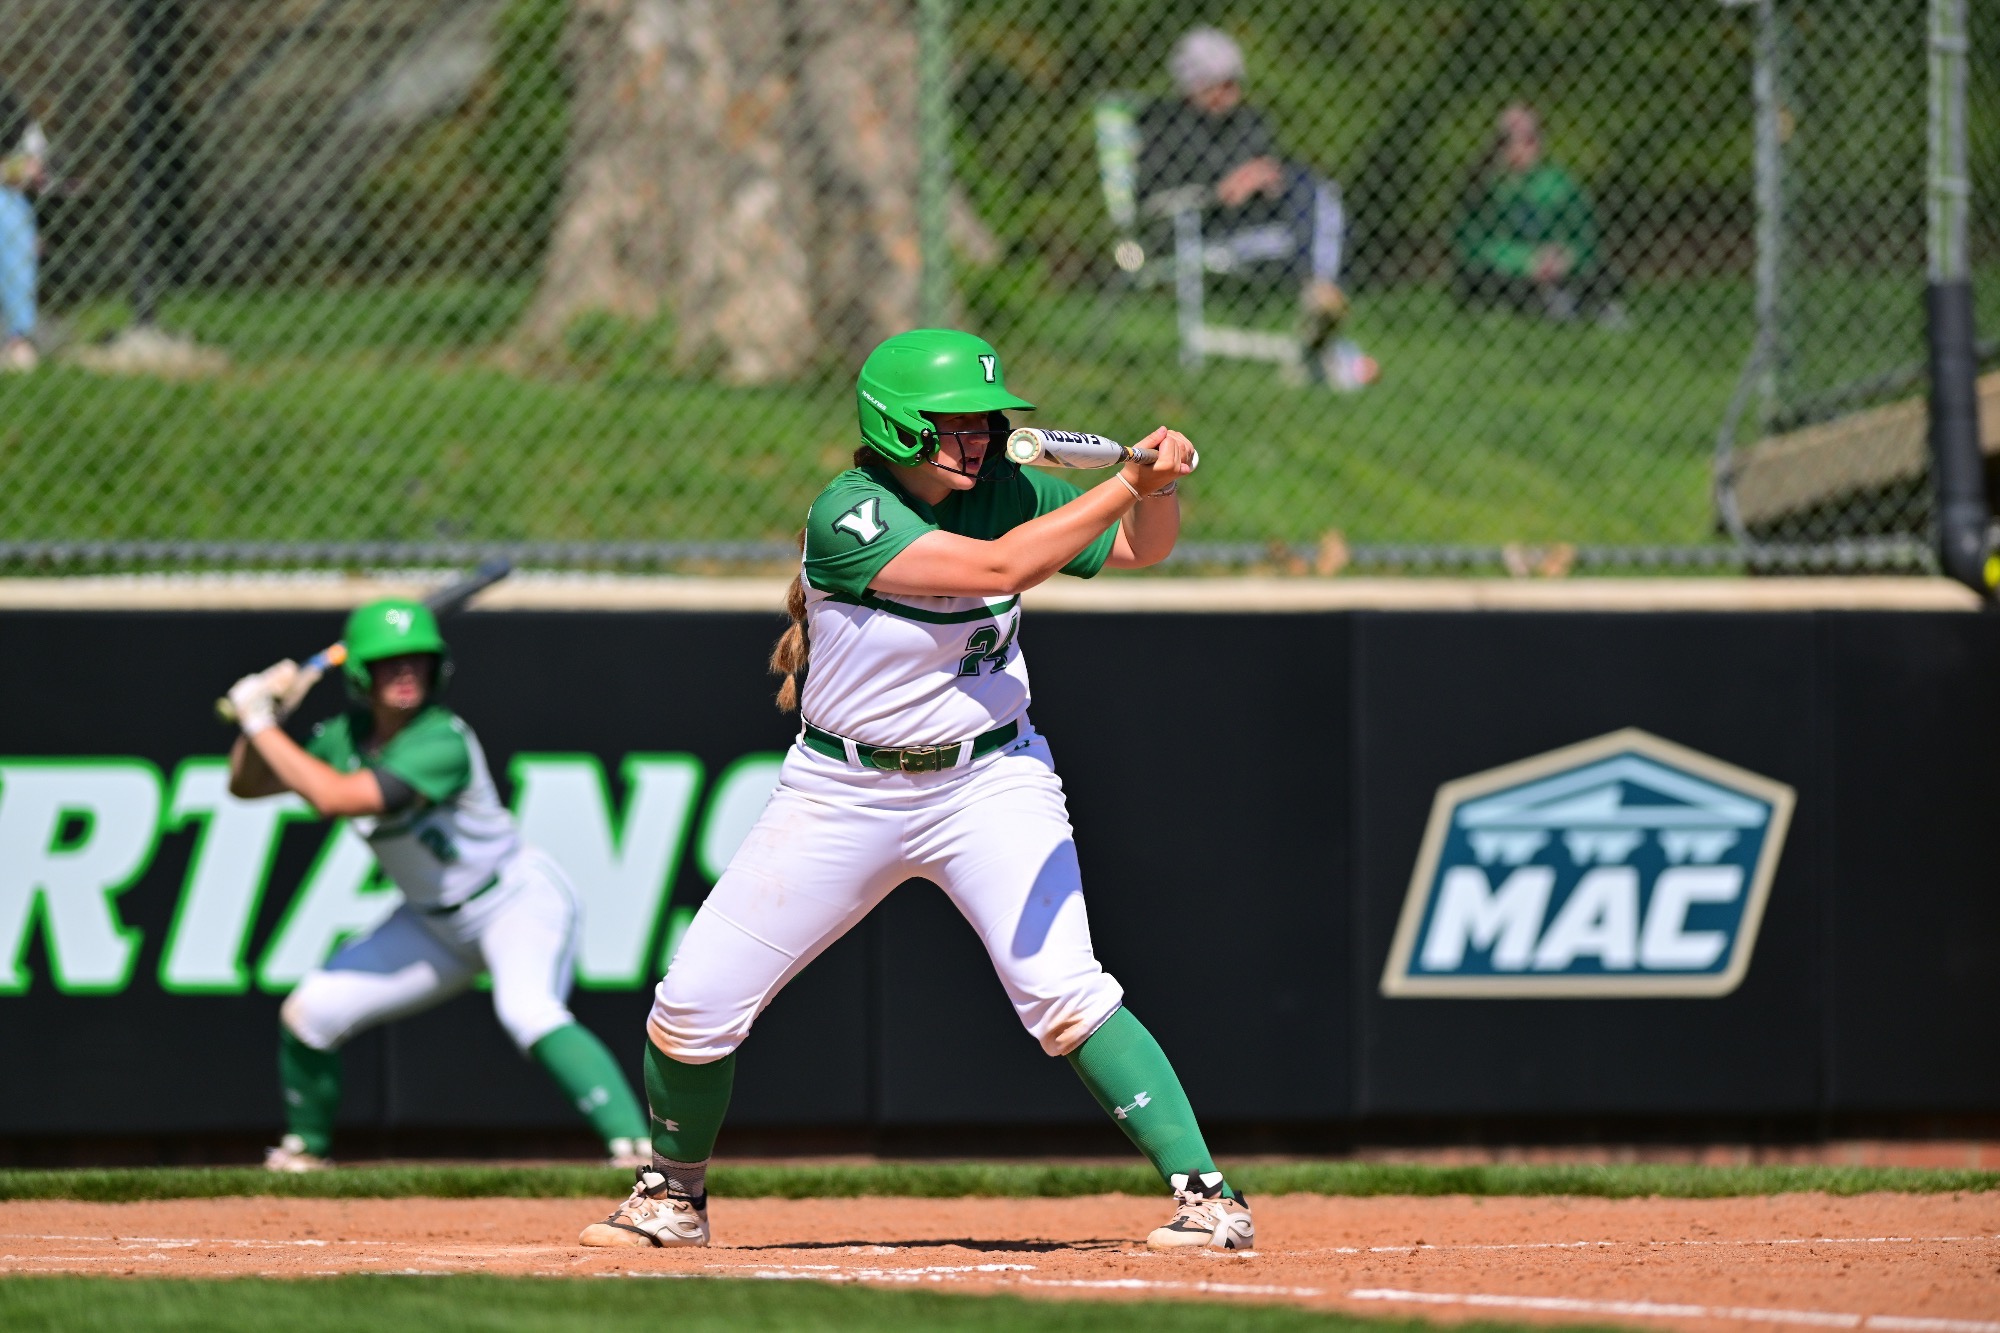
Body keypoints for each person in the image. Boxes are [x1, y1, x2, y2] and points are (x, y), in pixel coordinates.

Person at [578, 328, 1255, 1252]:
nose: (976, 435)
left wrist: (1160, 484)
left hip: (989, 781)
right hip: (841, 792)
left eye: (983, 418)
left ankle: (1209, 1196)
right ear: (896, 426)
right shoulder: (849, 513)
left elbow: (1141, 548)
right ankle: (672, 1193)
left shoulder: (1006, 489)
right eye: (953, 422)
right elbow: (996, 570)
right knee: (691, 1007)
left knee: (1064, 991)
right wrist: (1125, 481)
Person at [224, 599, 650, 1171]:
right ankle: (305, 1152)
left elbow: (334, 798)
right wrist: (267, 720)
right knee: (310, 1013)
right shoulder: (343, 736)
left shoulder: (440, 738)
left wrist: (258, 722)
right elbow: (247, 786)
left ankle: (636, 1146)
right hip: (432, 921)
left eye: (418, 661)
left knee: (529, 1011)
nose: (406, 673)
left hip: (513, 901)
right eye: (390, 662)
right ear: (360, 674)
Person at [1138, 26, 1376, 389]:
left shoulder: (1245, 122)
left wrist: (1266, 177)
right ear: (1195, 84)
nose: (1231, 92)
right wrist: (1219, 190)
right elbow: (1151, 197)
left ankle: (1321, 298)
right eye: (1221, 83)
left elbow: (1269, 172)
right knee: (1315, 204)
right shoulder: (1165, 127)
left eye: (1234, 82)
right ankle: (1324, 305)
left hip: (1259, 226)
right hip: (1200, 232)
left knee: (1308, 184)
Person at [1453, 103, 1628, 329]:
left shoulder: (1561, 183)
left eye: (1530, 137)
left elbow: (1586, 238)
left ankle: (1569, 302)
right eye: (1509, 139)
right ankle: (1562, 304)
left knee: (1603, 274)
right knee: (1479, 278)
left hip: (1560, 269)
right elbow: (1472, 245)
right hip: (1511, 271)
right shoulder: (1483, 187)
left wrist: (1563, 256)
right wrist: (1526, 260)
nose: (1521, 146)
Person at [0, 81, 46, 372]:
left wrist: (20, 168)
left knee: (11, 215)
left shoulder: (6, 101)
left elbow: (34, 158)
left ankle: (19, 339)